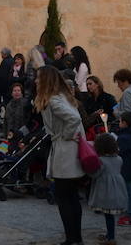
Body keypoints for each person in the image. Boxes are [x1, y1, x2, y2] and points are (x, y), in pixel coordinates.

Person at [36, 65, 85, 245]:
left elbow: (74, 119)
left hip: (65, 152)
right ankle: (75, 238)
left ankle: (71, 238)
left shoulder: (54, 100)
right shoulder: (64, 97)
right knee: (71, 197)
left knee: (64, 198)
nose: (35, 80)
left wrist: (65, 135)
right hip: (69, 150)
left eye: (39, 77)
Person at [89, 133, 128, 245]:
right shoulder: (119, 159)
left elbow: (95, 174)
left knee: (108, 215)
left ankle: (111, 237)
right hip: (118, 188)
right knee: (109, 215)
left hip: (106, 190)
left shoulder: (101, 160)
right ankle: (109, 234)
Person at [116, 112, 131, 227]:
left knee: (129, 193)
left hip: (127, 168)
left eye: (120, 121)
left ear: (125, 123)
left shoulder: (123, 138)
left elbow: (120, 152)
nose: (119, 123)